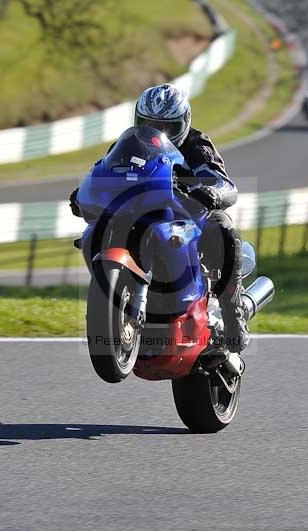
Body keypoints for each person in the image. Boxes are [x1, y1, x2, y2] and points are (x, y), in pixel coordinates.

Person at [70, 83, 250, 354]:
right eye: (149, 123)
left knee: (224, 228)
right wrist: (84, 193)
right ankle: (118, 303)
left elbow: (221, 179)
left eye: (167, 126)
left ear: (184, 123)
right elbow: (106, 170)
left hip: (184, 214)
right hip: (136, 211)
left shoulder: (197, 144)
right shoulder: (126, 144)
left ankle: (233, 311)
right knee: (95, 229)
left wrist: (212, 190)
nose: (158, 132)